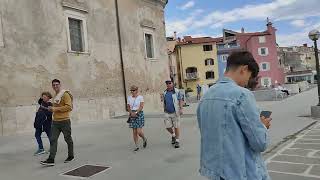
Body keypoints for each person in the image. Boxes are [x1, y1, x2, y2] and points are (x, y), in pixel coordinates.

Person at [197, 51, 271, 180]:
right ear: (244, 69)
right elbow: (260, 143)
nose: (247, 83)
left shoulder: (206, 97)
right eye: (249, 77)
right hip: (242, 172)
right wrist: (263, 126)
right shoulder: (242, 95)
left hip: (215, 173)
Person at [41, 79, 74, 166]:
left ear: (60, 85)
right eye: (54, 85)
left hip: (65, 121)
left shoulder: (65, 94)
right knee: (53, 140)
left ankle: (71, 155)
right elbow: (55, 107)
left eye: (57, 85)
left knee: (68, 139)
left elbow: (69, 107)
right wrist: (50, 108)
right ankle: (51, 159)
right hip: (55, 122)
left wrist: (55, 109)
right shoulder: (56, 96)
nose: (55, 86)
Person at [161, 80, 183, 148]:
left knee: (176, 127)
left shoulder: (176, 91)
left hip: (175, 112)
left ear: (172, 84)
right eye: (167, 83)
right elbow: (163, 101)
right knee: (167, 127)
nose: (168, 84)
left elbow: (180, 100)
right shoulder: (164, 92)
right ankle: (173, 135)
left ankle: (177, 141)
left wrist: (181, 109)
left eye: (170, 83)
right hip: (167, 112)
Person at [127, 85, 147, 152]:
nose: (132, 92)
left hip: (139, 113)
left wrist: (135, 113)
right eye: (131, 90)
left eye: (134, 90)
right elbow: (128, 107)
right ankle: (136, 146)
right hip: (132, 114)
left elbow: (141, 106)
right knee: (134, 131)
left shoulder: (140, 97)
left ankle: (144, 138)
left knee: (139, 131)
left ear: (137, 91)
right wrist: (131, 113)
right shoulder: (129, 98)